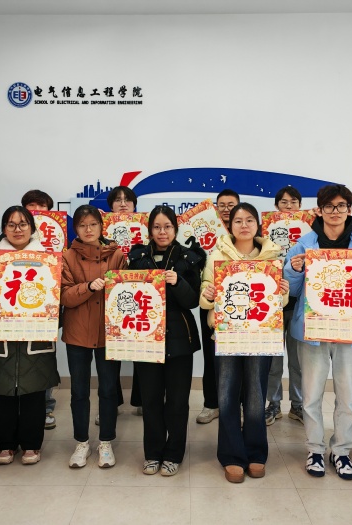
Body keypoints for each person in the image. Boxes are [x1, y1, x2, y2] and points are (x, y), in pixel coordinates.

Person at [284, 184, 352, 481]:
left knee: (347, 396)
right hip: (313, 331)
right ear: (320, 210)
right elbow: (291, 291)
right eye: (329, 206)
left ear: (349, 210)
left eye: (341, 206)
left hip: (350, 331)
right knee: (311, 395)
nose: (335, 212)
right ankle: (314, 449)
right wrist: (294, 270)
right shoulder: (303, 245)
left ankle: (342, 450)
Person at [200, 203, 290, 483]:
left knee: (255, 395)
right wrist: (208, 294)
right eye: (238, 220)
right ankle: (231, 455)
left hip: (261, 337)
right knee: (227, 395)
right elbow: (204, 297)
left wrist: (284, 292)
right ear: (230, 225)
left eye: (249, 220)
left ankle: (255, 452)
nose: (244, 225)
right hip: (227, 336)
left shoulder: (272, 254)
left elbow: (278, 302)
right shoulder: (217, 254)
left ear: (257, 224)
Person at [0, 206, 58, 466]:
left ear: (32, 228)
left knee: (34, 393)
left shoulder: (47, 259)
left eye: (22, 224)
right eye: (11, 224)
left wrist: (53, 321)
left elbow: (58, 298)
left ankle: (31, 445)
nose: (17, 229)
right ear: (4, 229)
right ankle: (6, 445)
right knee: (3, 393)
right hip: (2, 337)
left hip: (35, 336)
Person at [128, 206, 205, 476]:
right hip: (145, 339)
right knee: (150, 401)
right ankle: (152, 453)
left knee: (177, 402)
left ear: (175, 229)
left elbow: (193, 301)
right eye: (157, 227)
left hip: (180, 339)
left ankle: (174, 454)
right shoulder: (136, 258)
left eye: (167, 227)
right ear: (150, 230)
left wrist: (177, 281)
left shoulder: (188, 258)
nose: (162, 232)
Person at [62, 205, 127, 468]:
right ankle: (81, 442)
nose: (88, 229)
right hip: (77, 333)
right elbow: (64, 296)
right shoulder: (67, 256)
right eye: (82, 225)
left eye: (93, 224)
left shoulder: (117, 255)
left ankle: (106, 442)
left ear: (102, 226)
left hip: (109, 333)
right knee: (79, 390)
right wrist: (88, 287)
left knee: (109, 389)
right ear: (75, 229)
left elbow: (127, 291)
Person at [196, 188, 241, 424]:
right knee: (211, 356)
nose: (225, 209)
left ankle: (239, 405)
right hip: (211, 300)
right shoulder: (205, 228)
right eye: (221, 205)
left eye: (230, 204)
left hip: (242, 305)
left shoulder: (247, 233)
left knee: (242, 358)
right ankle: (211, 404)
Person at [21, 190, 60, 431]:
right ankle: (20, 406)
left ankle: (46, 407)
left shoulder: (57, 236)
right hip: (17, 308)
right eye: (31, 206)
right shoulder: (10, 236)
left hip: (46, 307)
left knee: (44, 358)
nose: (36, 210)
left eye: (41, 206)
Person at [265, 186, 304, 426]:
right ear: (276, 205)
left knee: (298, 362)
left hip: (300, 305)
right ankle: (274, 403)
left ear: (300, 205)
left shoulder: (310, 233)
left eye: (293, 202)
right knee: (273, 361)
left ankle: (298, 405)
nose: (289, 206)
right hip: (273, 305)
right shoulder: (265, 232)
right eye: (284, 202)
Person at [104, 186, 143, 419]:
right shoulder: (101, 232)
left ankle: (142, 400)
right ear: (110, 206)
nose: (122, 204)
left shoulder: (146, 228)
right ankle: (112, 403)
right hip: (109, 295)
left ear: (134, 205)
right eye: (117, 200)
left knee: (143, 350)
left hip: (140, 293)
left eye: (127, 200)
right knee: (111, 352)